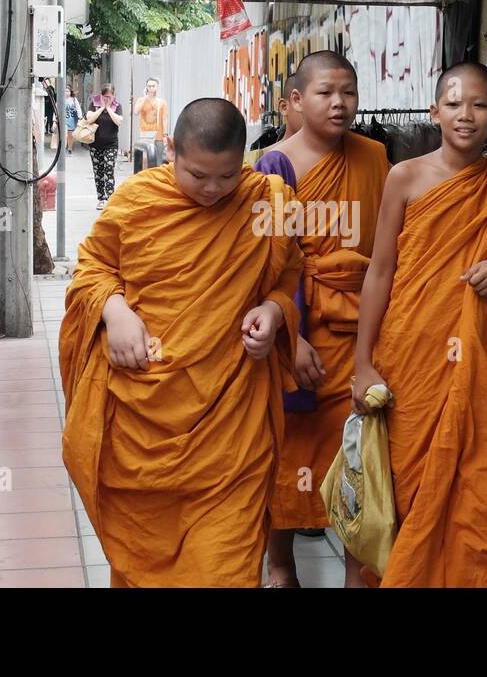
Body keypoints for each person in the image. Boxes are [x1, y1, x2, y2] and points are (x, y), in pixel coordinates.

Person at [60, 98, 303, 587]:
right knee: (142, 565)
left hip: (231, 423)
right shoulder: (135, 201)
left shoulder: (270, 203)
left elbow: (290, 273)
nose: (214, 189)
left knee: (227, 569)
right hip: (144, 420)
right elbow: (90, 272)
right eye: (198, 175)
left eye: (227, 176)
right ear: (171, 151)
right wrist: (115, 310)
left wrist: (274, 312)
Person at [352, 61, 487, 587]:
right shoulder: (404, 177)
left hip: (476, 363)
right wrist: (362, 364)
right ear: (434, 112)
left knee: (479, 487)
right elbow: (380, 270)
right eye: (454, 104)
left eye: (479, 105)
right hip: (411, 357)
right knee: (409, 485)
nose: (466, 115)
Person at [253, 51, 389, 588]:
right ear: (294, 101)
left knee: (362, 462)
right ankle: (281, 563)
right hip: (298, 339)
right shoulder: (269, 169)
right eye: (325, 92)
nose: (339, 103)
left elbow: (387, 254)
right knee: (288, 459)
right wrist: (292, 338)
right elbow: (263, 265)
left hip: (362, 336)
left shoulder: (378, 158)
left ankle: (362, 568)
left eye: (349, 92)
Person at [85, 86, 122, 209]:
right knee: (98, 172)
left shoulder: (117, 106)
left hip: (111, 144)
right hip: (95, 145)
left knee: (109, 169)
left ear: (113, 96)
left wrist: (109, 108)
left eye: (109, 97)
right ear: (101, 96)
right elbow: (89, 118)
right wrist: (101, 108)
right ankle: (101, 198)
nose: (107, 99)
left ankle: (110, 198)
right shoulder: (94, 104)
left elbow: (118, 121)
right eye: (104, 96)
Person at [134, 77, 169, 146]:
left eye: (153, 86)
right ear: (146, 87)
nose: (151, 88)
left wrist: (165, 135)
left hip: (159, 136)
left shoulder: (162, 102)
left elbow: (164, 119)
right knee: (146, 156)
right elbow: (136, 112)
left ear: (157, 87)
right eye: (149, 86)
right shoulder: (141, 100)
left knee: (159, 156)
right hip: (145, 135)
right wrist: (145, 97)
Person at [63, 84, 83, 155]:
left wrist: (80, 118)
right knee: (64, 135)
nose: (66, 93)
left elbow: (78, 108)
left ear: (70, 92)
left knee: (70, 135)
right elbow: (56, 110)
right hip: (63, 120)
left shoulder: (74, 99)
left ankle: (69, 149)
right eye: (65, 91)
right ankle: (63, 149)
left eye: (68, 91)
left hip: (72, 119)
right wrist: (54, 120)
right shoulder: (61, 99)